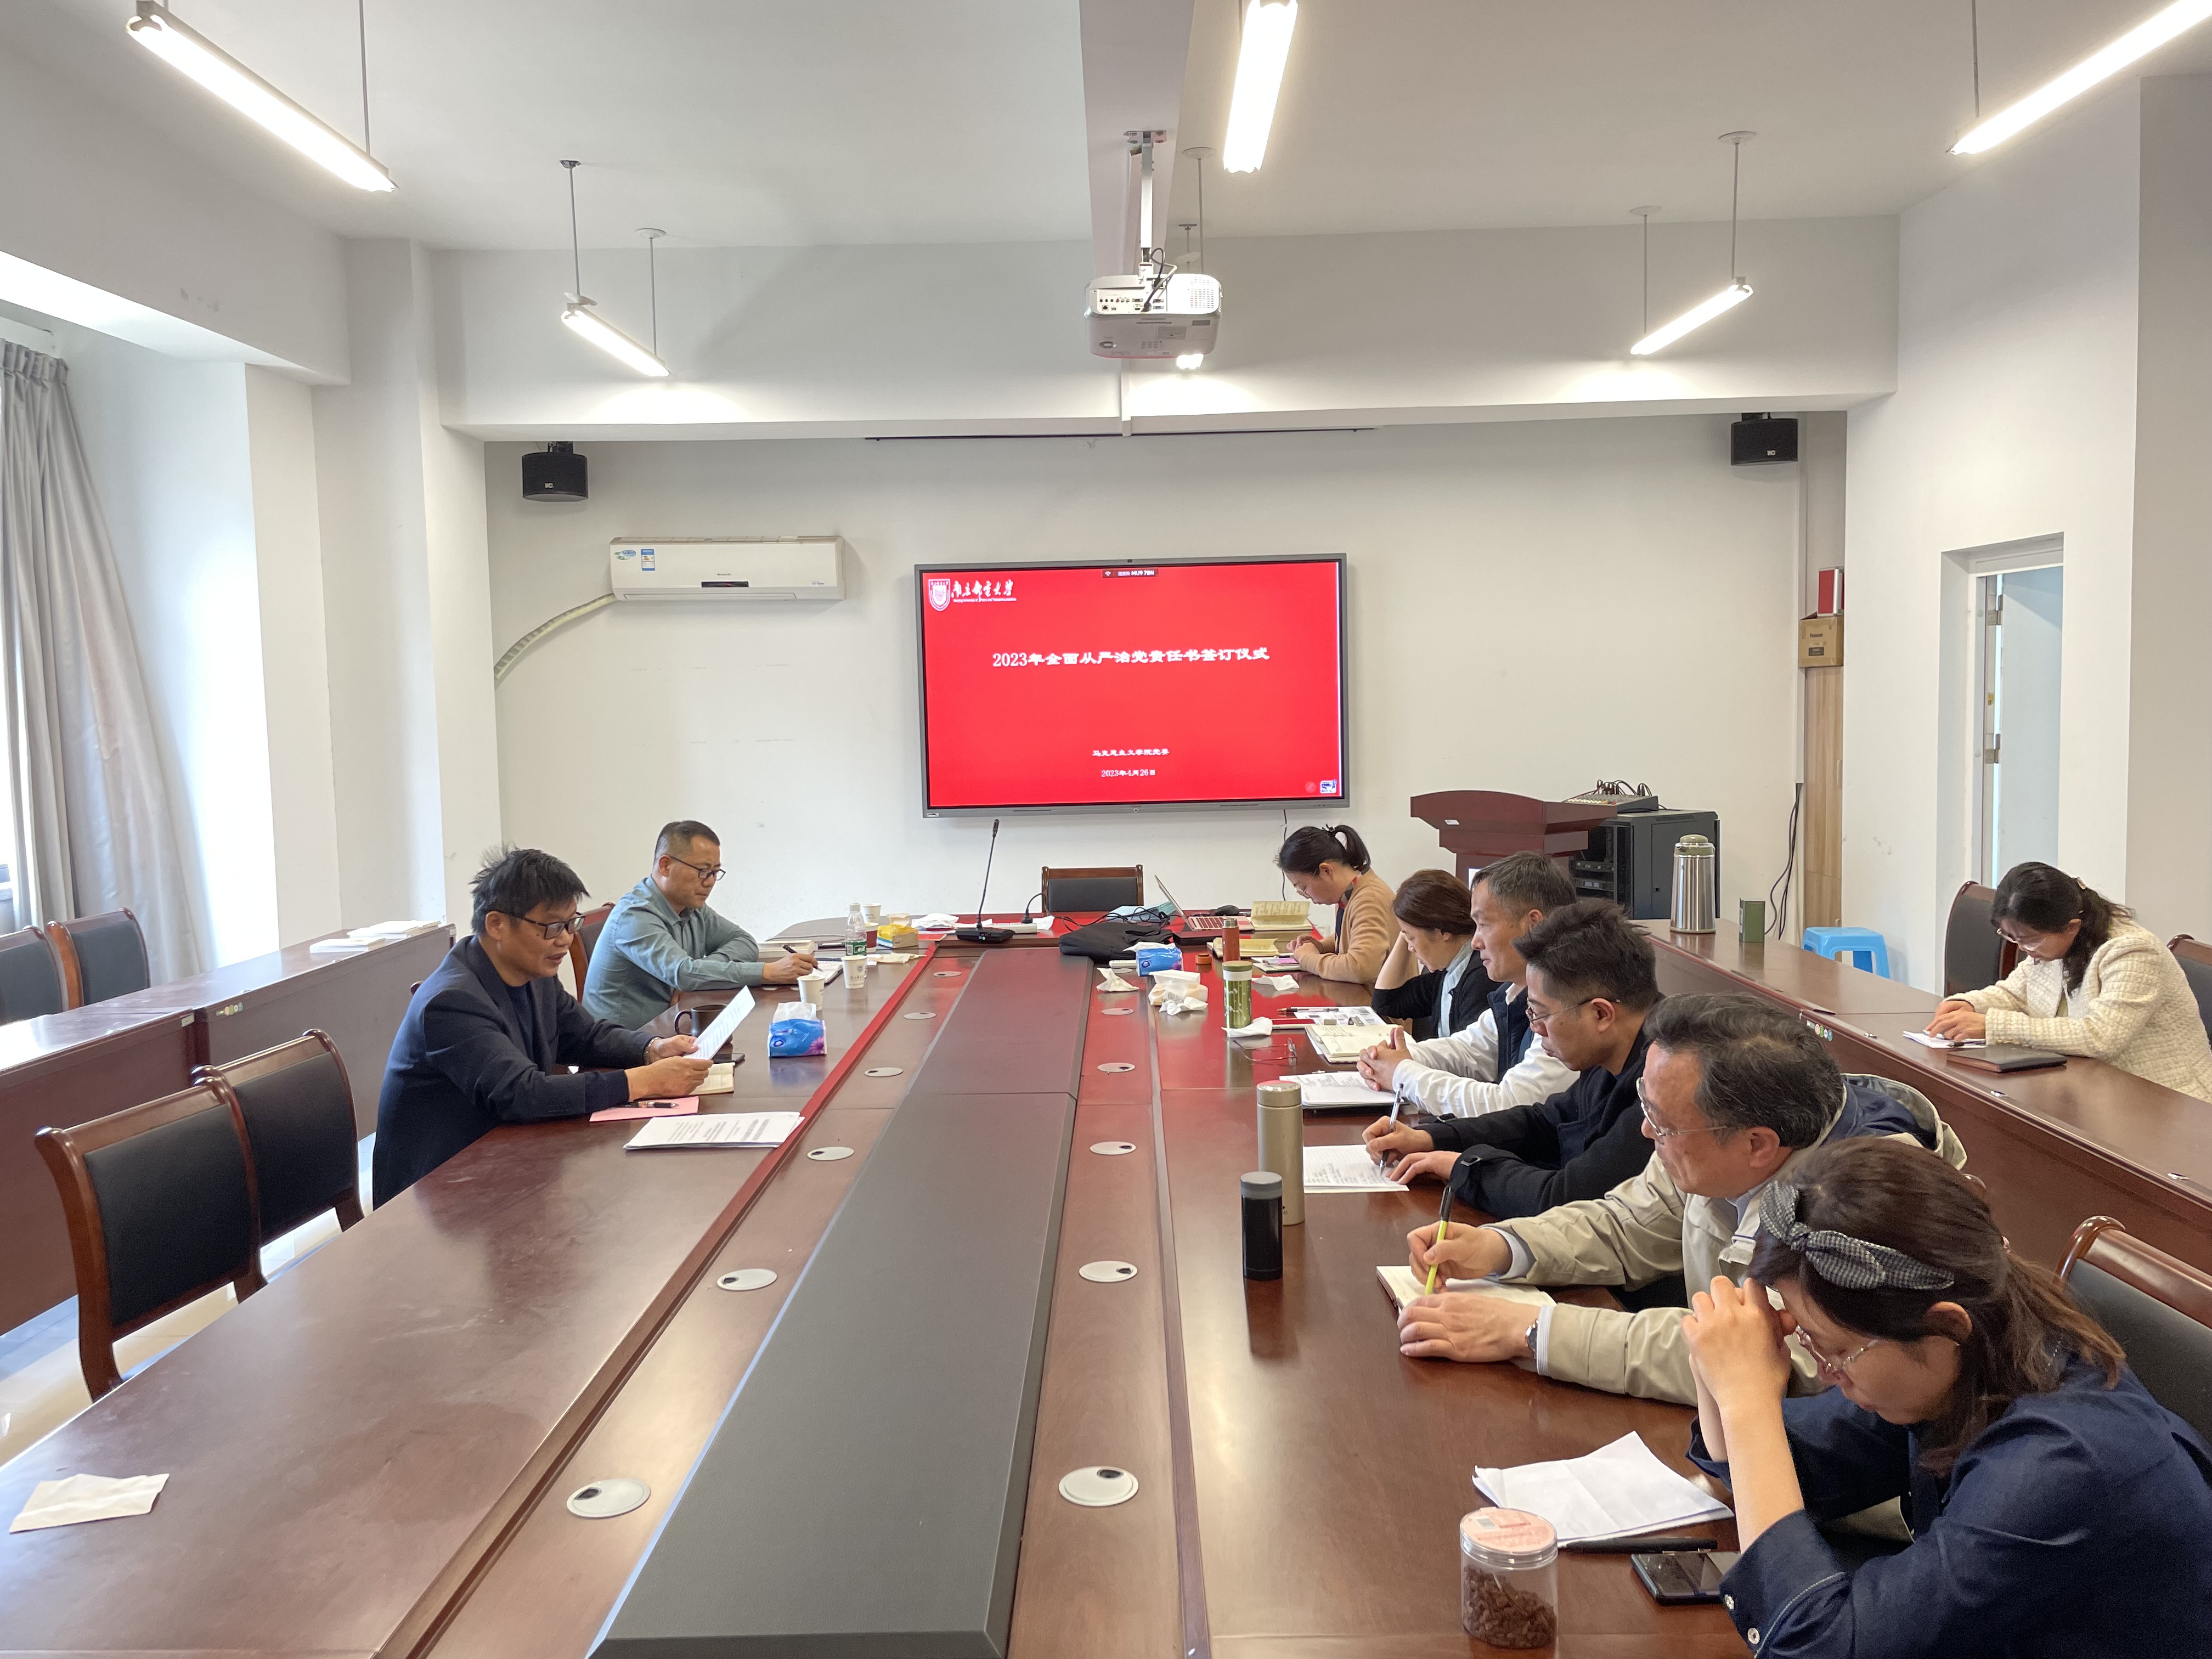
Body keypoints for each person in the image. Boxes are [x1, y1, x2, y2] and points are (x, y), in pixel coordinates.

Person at [1680, 1137, 2212, 1657]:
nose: (1824, 1371)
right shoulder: (1973, 1352)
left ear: (1946, 1327)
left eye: (1838, 1351)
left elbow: (1818, 1645)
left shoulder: (2062, 1464)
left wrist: (1747, 1400)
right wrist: (1718, 1372)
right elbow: (1790, 1470)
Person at [1395, 993, 1966, 1404]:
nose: (1647, 1132)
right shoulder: (1719, 1139)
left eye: (1663, 1123)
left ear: (1758, 1145)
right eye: (1646, 1107)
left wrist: (1531, 1331)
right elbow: (1627, 1224)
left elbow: (1762, 1355)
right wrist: (1504, 1247)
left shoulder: (1863, 1207)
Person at [374, 847, 711, 1205]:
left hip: (508, 1158)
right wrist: (644, 1081)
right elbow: (522, 1094)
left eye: (571, 924)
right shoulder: (451, 1002)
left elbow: (584, 1036)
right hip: (437, 1195)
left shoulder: (534, 972)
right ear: (497, 924)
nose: (565, 939)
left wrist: (651, 1049)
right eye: (551, 927)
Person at [1361, 899, 1660, 1220]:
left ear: (1601, 1014)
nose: (1536, 1029)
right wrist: (1431, 1139)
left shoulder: (1660, 1085)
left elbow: (1567, 1197)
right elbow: (1544, 1122)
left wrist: (1464, 1168)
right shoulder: (1612, 1052)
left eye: (1540, 1014)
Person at [1928, 860, 2212, 1103]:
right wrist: (1969, 1004)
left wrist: (1992, 1025)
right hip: (2092, 1089)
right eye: (2012, 938)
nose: (2024, 949)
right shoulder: (2053, 945)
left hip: (2167, 1103)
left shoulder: (2133, 952)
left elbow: (2100, 1037)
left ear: (2071, 927)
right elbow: (2016, 993)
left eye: (2029, 940)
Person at [1358, 850, 1578, 1119]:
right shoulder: (1514, 992)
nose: (1475, 942)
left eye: (1484, 925)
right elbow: (1469, 1050)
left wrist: (1402, 1073)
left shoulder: (1572, 1001)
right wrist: (1394, 1057)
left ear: (1533, 925)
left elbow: (1512, 1104)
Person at [584, 819, 812, 1029]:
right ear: (665, 866)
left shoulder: (692, 907)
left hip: (673, 1027)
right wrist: (767, 972)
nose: (711, 882)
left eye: (715, 872)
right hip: (623, 1045)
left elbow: (744, 942)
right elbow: (684, 973)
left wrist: (697, 974)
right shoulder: (635, 915)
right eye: (703, 871)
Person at [1367, 868, 1497, 1041]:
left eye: (1412, 938)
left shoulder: (1480, 977)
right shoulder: (1448, 970)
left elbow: (1469, 1054)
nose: (1411, 948)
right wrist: (1405, 935)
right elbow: (1386, 1002)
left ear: (1441, 932)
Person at [1277, 823, 1394, 985]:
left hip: (1379, 1000)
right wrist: (1320, 947)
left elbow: (1361, 968)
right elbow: (1351, 937)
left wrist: (1308, 959)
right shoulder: (1351, 891)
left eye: (1303, 888)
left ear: (1326, 871)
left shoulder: (1369, 901)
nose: (1306, 896)